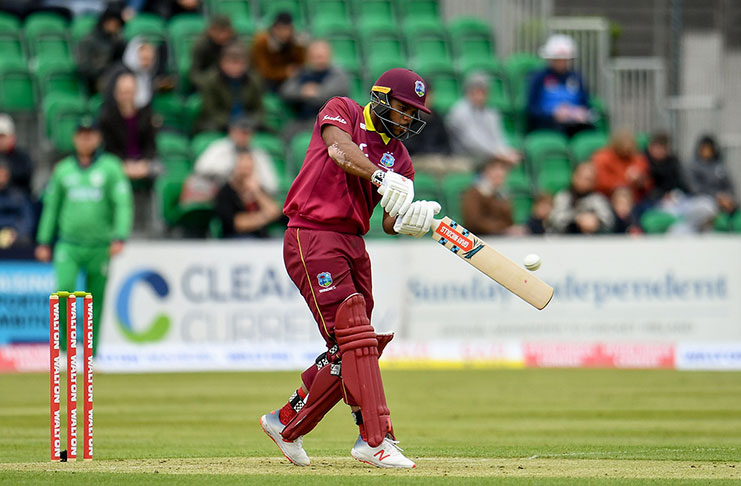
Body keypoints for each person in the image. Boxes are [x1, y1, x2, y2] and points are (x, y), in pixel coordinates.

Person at [260, 68, 439, 469]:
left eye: (415, 114)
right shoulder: (343, 110)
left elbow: (391, 221)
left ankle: (286, 422)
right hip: (312, 232)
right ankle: (375, 438)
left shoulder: (402, 159)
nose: (409, 119)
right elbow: (339, 150)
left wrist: (416, 217)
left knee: (353, 346)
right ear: (381, 97)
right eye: (404, 108)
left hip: (354, 243)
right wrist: (380, 174)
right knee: (354, 332)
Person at [35, 118, 133, 356]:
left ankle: (92, 352)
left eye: (90, 135)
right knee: (64, 291)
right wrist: (44, 240)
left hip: (100, 245)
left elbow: (123, 204)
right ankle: (63, 350)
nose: (86, 139)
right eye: (81, 134)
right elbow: (51, 207)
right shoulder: (63, 169)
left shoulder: (110, 168)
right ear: (74, 138)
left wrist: (120, 236)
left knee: (94, 300)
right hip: (68, 244)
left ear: (98, 138)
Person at [644, 132, 715, 234]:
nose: (660, 151)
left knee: (707, 205)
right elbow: (649, 189)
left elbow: (682, 183)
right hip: (660, 202)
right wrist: (662, 195)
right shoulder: (645, 163)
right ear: (651, 147)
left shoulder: (673, 161)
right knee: (676, 225)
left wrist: (678, 193)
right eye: (657, 147)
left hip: (680, 199)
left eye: (663, 147)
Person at [446, 72, 521, 167]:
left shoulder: (491, 112)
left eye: (483, 91)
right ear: (468, 92)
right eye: (476, 91)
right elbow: (472, 142)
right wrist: (498, 154)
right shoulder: (459, 111)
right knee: (497, 165)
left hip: (487, 156)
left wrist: (505, 151)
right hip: (463, 157)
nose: (480, 95)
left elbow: (498, 137)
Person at [527, 34, 593, 137]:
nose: (562, 63)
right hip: (548, 125)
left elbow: (586, 104)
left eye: (565, 59)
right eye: (558, 59)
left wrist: (580, 113)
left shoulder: (576, 77)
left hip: (575, 125)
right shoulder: (539, 78)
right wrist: (553, 114)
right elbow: (532, 109)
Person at [193, 115, 278, 194]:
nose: (244, 136)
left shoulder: (258, 153)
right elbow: (200, 168)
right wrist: (233, 172)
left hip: (248, 196)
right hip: (218, 192)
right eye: (241, 132)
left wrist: (252, 181)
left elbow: (272, 185)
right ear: (232, 131)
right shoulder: (219, 147)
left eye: (247, 133)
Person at [99, 72, 159, 182]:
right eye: (123, 93)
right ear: (116, 94)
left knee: (159, 169)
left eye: (129, 92)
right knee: (108, 168)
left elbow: (151, 145)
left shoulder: (146, 115)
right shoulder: (107, 118)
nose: (126, 96)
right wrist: (125, 164)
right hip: (119, 161)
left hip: (143, 162)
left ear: (135, 93)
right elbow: (109, 148)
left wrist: (144, 163)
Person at [198, 42, 263, 132]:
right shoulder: (211, 81)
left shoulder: (253, 81)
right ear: (222, 63)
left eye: (239, 63)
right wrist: (232, 123)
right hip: (219, 125)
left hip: (247, 125)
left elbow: (258, 109)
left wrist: (250, 121)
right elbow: (211, 111)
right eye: (231, 63)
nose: (235, 67)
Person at [214, 152, 281, 238]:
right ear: (235, 169)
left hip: (261, 238)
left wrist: (257, 192)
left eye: (249, 169)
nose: (245, 173)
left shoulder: (257, 188)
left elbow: (275, 211)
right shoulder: (225, 192)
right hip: (235, 239)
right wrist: (265, 217)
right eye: (243, 168)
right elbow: (237, 223)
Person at [279, 40, 349, 122]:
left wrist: (313, 93)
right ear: (309, 58)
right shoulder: (303, 73)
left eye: (322, 56)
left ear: (329, 56)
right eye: (315, 57)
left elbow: (329, 96)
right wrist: (302, 92)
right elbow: (285, 91)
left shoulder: (338, 74)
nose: (319, 60)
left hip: (331, 120)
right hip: (303, 121)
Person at [104, 36, 174, 109]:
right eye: (143, 58)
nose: (147, 61)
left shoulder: (149, 75)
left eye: (149, 59)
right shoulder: (119, 73)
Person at [461, 158, 523, 235]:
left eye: (502, 169)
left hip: (501, 238)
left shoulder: (503, 194)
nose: (499, 173)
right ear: (485, 172)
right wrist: (502, 229)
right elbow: (473, 222)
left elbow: (509, 220)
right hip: (478, 238)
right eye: (494, 168)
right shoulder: (474, 193)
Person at [548, 162, 614, 234]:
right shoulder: (563, 196)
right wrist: (577, 219)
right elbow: (555, 218)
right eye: (580, 177)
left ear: (594, 182)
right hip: (566, 241)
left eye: (588, 179)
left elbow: (609, 220)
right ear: (574, 177)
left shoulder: (598, 200)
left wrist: (596, 220)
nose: (583, 182)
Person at [250, 11, 306, 92]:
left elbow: (301, 65)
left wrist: (297, 46)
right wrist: (285, 73)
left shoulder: (297, 42)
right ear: (274, 28)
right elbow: (263, 71)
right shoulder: (262, 42)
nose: (285, 33)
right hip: (267, 81)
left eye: (288, 29)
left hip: (289, 80)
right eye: (281, 29)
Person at [77, 4, 126, 94]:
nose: (114, 26)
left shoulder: (117, 42)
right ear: (105, 20)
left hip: (114, 77)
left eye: (117, 24)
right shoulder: (88, 40)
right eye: (112, 22)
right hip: (95, 82)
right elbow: (84, 68)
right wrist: (102, 71)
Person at [592, 129, 652, 203]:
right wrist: (626, 180)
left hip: (635, 200)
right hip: (608, 199)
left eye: (629, 146)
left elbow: (647, 182)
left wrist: (640, 181)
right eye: (623, 145)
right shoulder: (602, 157)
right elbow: (599, 182)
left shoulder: (638, 159)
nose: (626, 149)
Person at [687, 135, 737, 217]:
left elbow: (729, 185)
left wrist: (727, 197)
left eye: (709, 149)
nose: (707, 151)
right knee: (707, 207)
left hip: (723, 200)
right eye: (704, 148)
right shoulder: (693, 166)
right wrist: (717, 197)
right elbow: (695, 188)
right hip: (702, 200)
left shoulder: (719, 165)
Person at [188, 15, 235, 91]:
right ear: (211, 30)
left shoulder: (234, 42)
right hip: (208, 80)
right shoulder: (201, 45)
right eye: (218, 31)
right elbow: (194, 74)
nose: (222, 36)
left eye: (225, 31)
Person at [0, 161, 34, 249]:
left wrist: (17, 233)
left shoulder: (18, 196)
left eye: (4, 175)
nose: (1, 178)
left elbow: (28, 220)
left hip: (16, 240)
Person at [0, 113, 34, 195]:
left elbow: (26, 177)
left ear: (12, 137)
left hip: (18, 202)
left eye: (2, 136)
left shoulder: (22, 158)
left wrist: (7, 175)